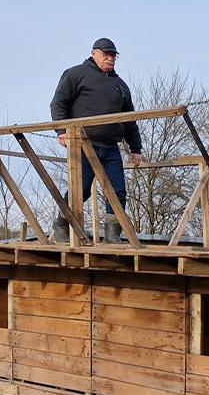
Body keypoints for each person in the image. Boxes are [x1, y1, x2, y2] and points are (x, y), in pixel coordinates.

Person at [49, 37, 144, 243]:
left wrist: (136, 148)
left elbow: (129, 119)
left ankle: (112, 237)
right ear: (94, 53)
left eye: (113, 56)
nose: (110, 58)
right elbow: (58, 103)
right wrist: (61, 130)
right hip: (84, 144)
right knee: (81, 190)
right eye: (106, 54)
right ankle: (62, 225)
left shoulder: (120, 85)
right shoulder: (76, 74)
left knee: (117, 191)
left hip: (110, 147)